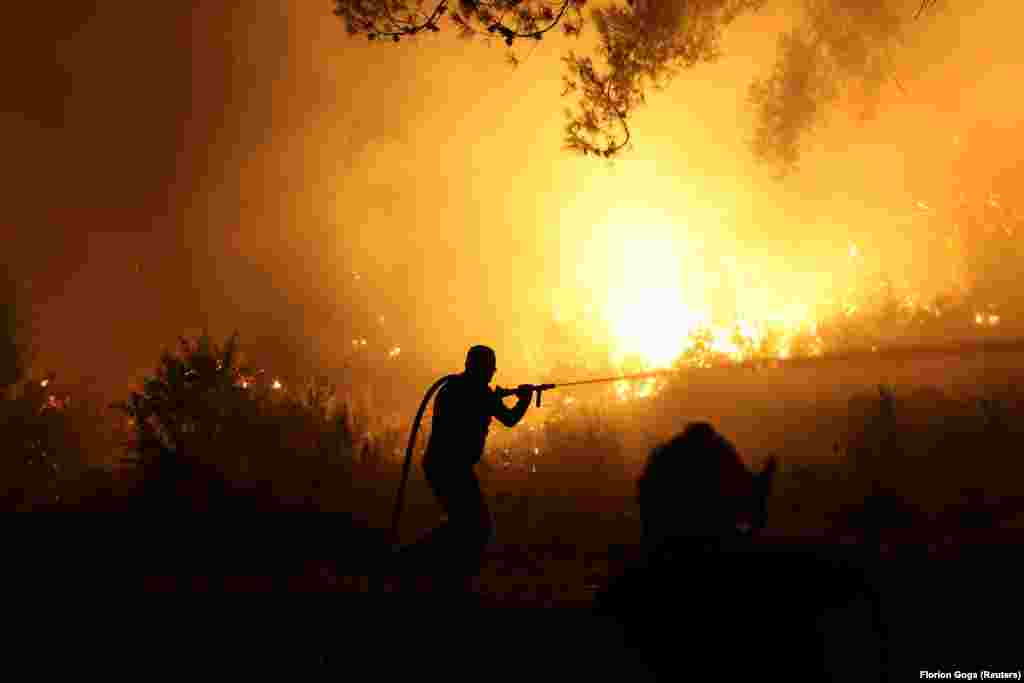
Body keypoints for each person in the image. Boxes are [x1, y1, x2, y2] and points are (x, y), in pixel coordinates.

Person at [393, 345, 533, 597]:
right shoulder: (479, 393)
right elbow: (510, 419)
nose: (491, 374)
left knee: (465, 524)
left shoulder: (453, 388)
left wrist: (495, 399)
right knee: (475, 526)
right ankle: (412, 562)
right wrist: (525, 399)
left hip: (440, 465)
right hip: (452, 468)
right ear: (482, 368)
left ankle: (428, 569)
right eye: (490, 369)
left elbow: (475, 408)